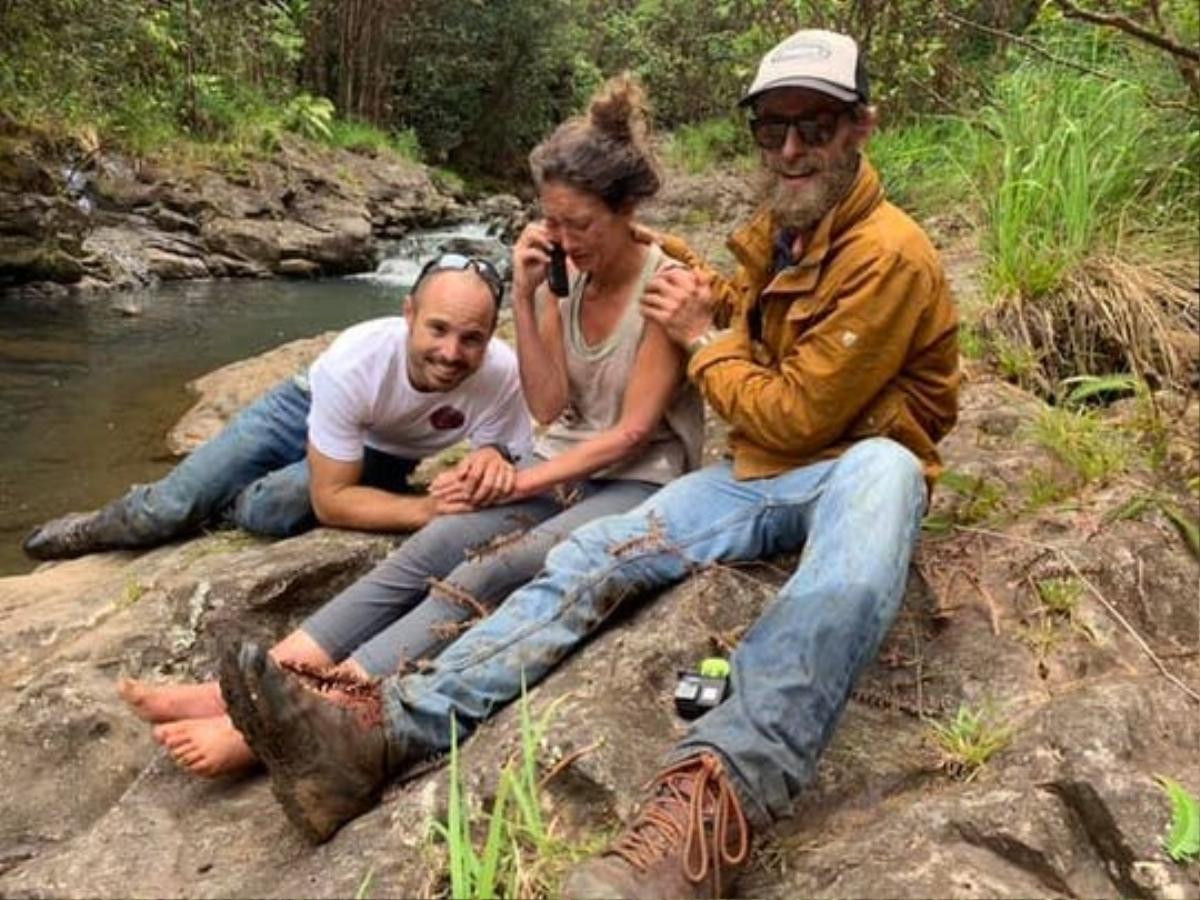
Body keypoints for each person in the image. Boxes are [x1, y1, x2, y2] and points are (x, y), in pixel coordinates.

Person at [218, 27, 960, 898]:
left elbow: (798, 415)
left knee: (873, 503)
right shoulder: (780, 231)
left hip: (851, 462)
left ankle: (707, 815)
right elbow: (730, 319)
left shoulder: (891, 253)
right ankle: (380, 736)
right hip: (751, 475)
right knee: (587, 558)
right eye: (773, 128)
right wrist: (660, 274)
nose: (792, 147)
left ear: (861, 127)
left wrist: (701, 338)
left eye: (817, 125)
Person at [121, 74, 705, 780]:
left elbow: (630, 435)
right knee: (436, 542)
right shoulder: (564, 273)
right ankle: (248, 686)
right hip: (565, 464)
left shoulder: (667, 284)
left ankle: (312, 710)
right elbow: (549, 409)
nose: (562, 239)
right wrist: (524, 294)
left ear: (626, 209)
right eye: (551, 221)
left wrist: (518, 478)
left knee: (502, 565)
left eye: (578, 224)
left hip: (638, 480)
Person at [22, 258, 533, 560]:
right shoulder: (355, 361)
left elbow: (507, 446)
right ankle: (91, 528)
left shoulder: (501, 372)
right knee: (167, 510)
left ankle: (225, 497)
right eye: (438, 329)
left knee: (274, 509)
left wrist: (495, 454)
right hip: (302, 406)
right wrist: (424, 510)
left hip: (385, 450)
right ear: (408, 314)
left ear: (491, 336)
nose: (451, 353)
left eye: (472, 339)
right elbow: (335, 503)